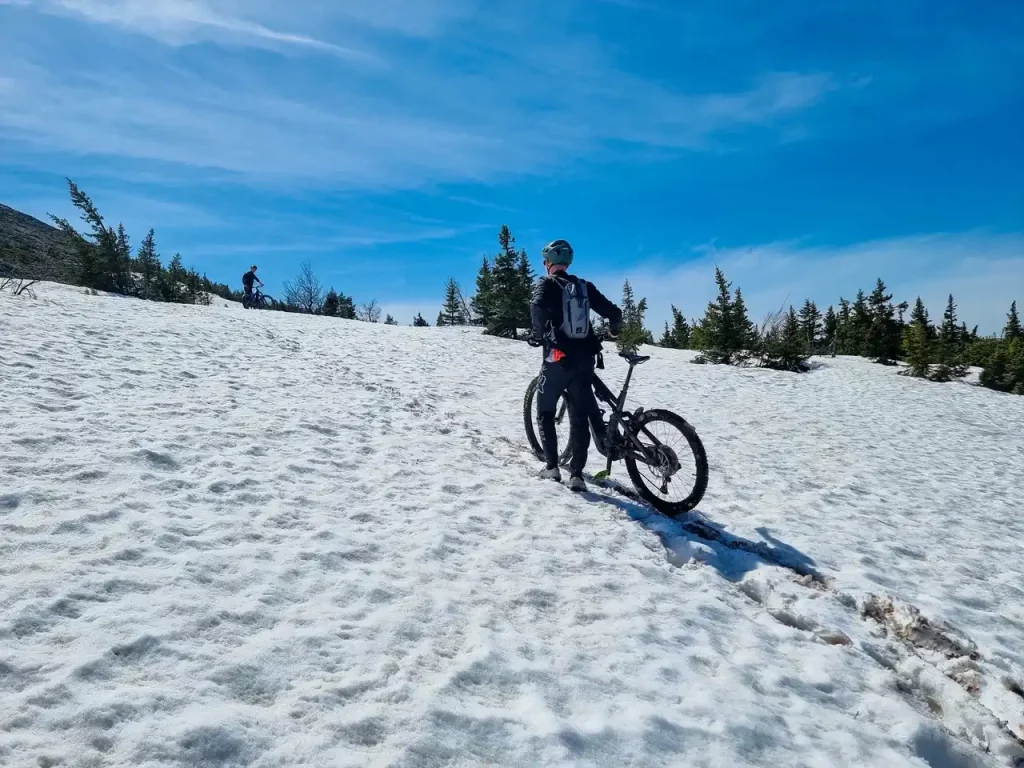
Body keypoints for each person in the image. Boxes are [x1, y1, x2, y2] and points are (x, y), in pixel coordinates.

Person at [530, 239, 623, 491]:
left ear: (549, 262)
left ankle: (551, 467)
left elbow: (537, 307)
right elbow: (614, 313)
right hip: (585, 359)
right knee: (580, 417)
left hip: (558, 358)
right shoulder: (584, 286)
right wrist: (614, 331)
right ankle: (578, 475)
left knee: (545, 410)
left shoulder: (546, 284)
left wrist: (538, 335)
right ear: (568, 262)